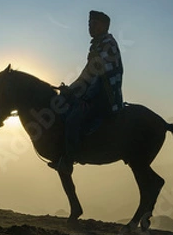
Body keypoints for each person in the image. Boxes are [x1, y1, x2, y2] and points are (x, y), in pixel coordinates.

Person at [49, 10, 124, 173]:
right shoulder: (97, 45)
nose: (90, 27)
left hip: (105, 95)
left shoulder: (108, 44)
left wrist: (81, 95)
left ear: (104, 26)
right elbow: (87, 74)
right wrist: (70, 89)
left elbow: (98, 76)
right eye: (89, 24)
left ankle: (69, 159)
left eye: (94, 24)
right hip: (94, 90)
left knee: (74, 117)